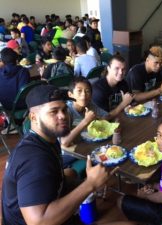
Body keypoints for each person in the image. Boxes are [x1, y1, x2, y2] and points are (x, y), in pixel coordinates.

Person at [1, 84, 112, 224]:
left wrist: (85, 182)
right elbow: (38, 222)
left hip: (48, 209)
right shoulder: (35, 159)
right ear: (33, 117)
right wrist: (90, 184)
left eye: (64, 109)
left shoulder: (46, 139)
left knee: (70, 173)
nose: (63, 116)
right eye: (54, 111)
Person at [61, 76, 110, 147]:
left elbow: (107, 115)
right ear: (70, 94)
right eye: (79, 91)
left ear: (91, 95)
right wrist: (86, 120)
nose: (84, 95)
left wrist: (96, 120)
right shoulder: (67, 111)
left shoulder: (90, 105)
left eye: (87, 91)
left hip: (89, 144)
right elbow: (64, 142)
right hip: (74, 150)